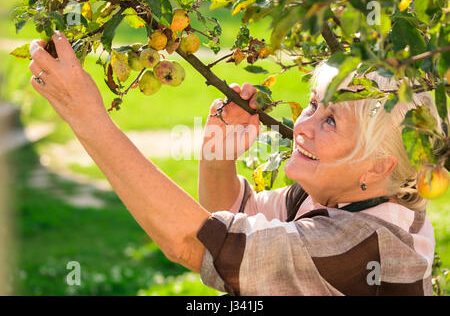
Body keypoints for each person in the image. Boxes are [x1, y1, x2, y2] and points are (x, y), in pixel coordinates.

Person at [29, 32, 441, 295]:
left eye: (330, 120)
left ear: (377, 167)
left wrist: (87, 116)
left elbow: (196, 243)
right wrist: (217, 157)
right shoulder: (358, 198)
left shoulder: (361, 245)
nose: (302, 127)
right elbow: (233, 221)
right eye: (313, 105)